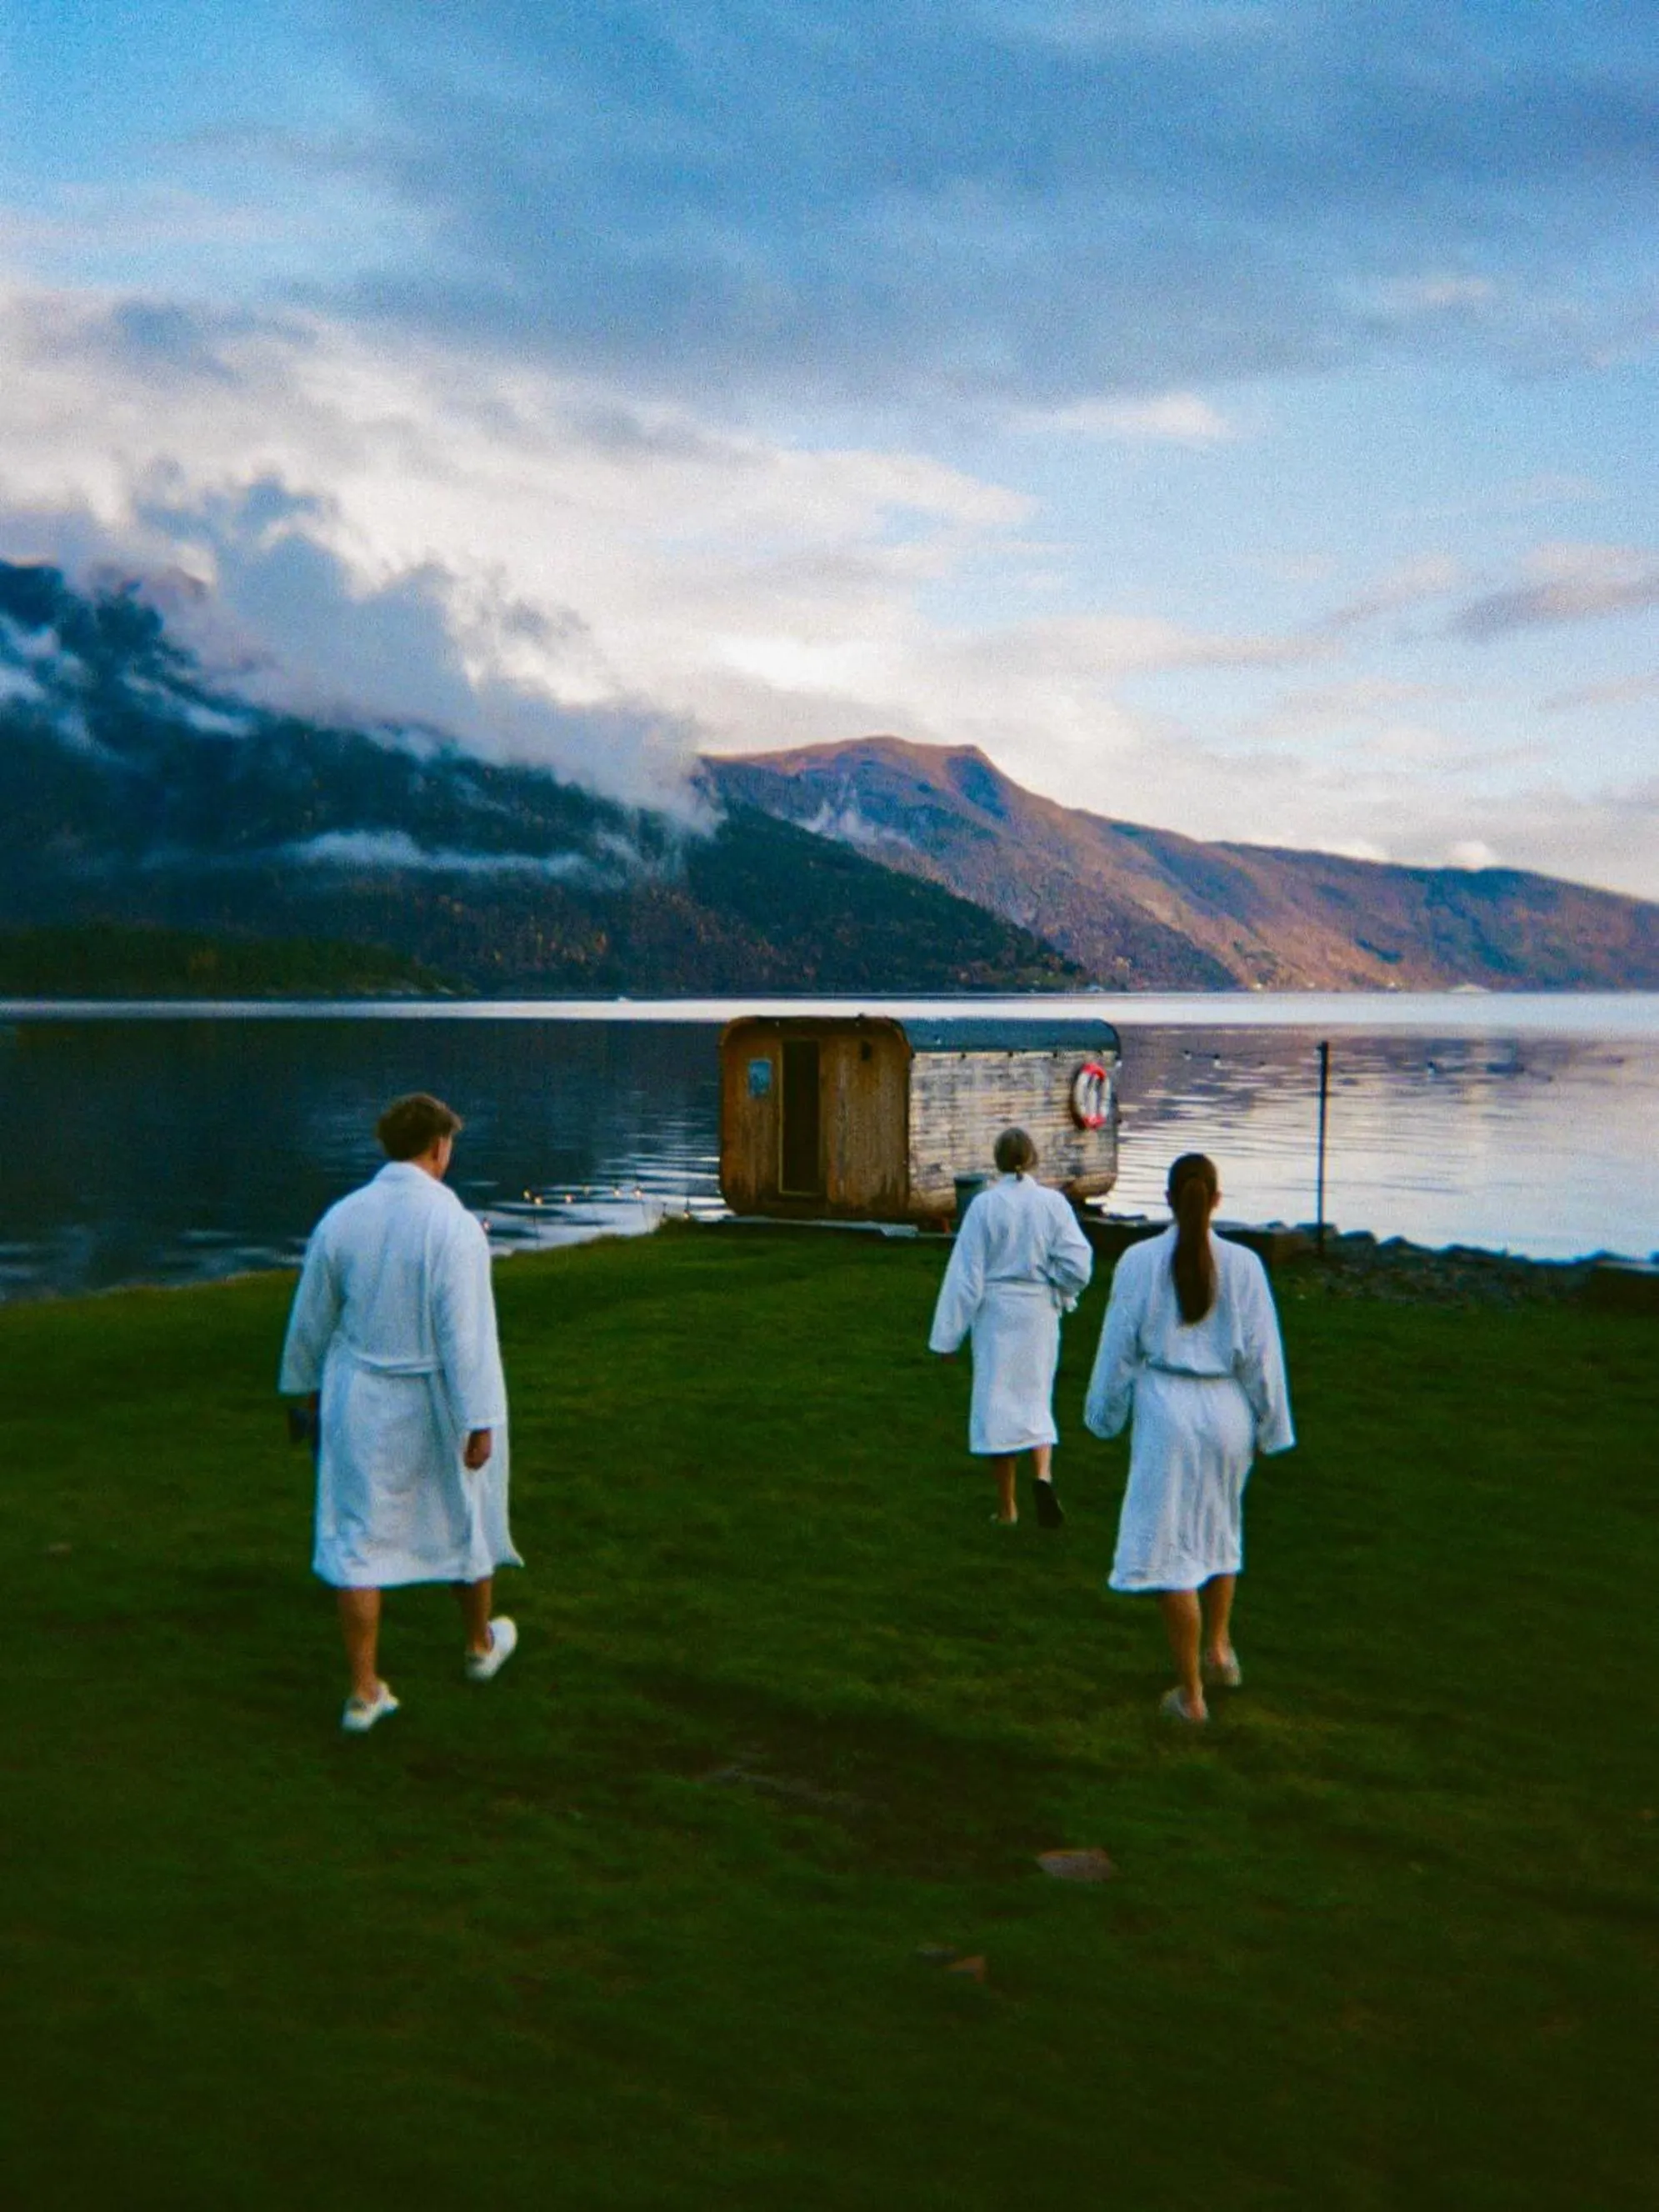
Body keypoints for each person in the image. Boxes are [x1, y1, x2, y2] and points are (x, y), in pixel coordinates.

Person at [280, 1092, 522, 1733]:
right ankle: (477, 1646)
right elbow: (463, 1335)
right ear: (438, 1146)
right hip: (436, 1398)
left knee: (357, 1533)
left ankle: (364, 1691)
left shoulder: (343, 1218)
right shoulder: (453, 1226)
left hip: (359, 1395)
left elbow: (312, 1316)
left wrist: (305, 1389)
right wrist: (477, 1420)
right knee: (463, 1511)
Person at [1083, 1152, 1293, 1724]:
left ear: (1168, 1200)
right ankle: (1219, 1651)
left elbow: (1117, 1348)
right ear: (1216, 1200)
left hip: (1166, 1411)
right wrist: (1270, 1428)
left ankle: (1191, 1695)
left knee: (1170, 1548)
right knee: (1219, 1524)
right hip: (1228, 1412)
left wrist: (1103, 1416)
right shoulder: (1245, 1266)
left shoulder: (1137, 1262)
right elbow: (1262, 1359)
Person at [928, 1127, 1095, 1526]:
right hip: (1039, 1311)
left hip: (998, 1313)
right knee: (1037, 1398)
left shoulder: (985, 1207)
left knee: (998, 1404)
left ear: (998, 1160)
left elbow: (965, 1277)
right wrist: (1057, 1286)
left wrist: (948, 1337)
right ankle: (1042, 1476)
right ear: (1034, 1158)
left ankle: (1007, 1508)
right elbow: (1079, 1265)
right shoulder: (1053, 1205)